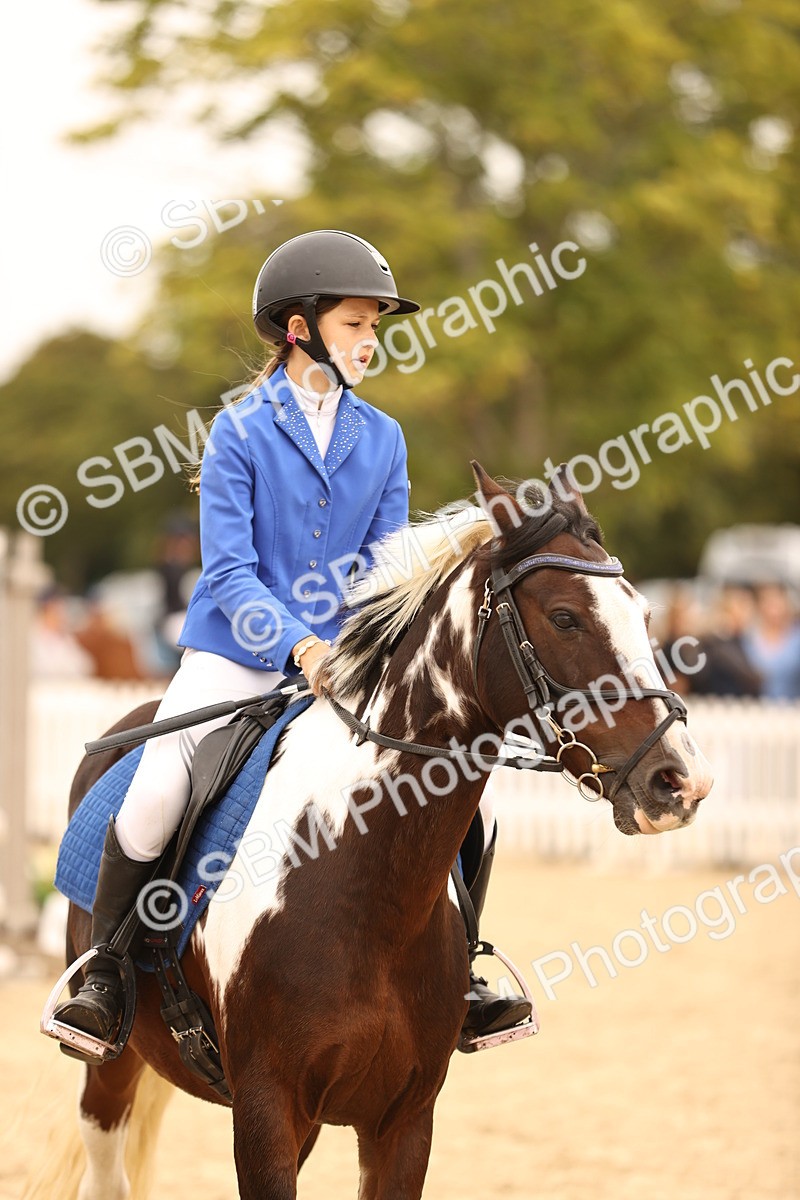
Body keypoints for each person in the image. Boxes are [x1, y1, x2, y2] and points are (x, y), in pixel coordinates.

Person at [53, 229, 530, 1053]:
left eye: (376, 325)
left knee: (464, 804)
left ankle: (468, 971)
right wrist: (301, 648)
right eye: (355, 324)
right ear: (301, 328)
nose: (372, 340)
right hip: (234, 651)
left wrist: (358, 648)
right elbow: (232, 575)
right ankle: (107, 970)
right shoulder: (239, 432)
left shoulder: (382, 438)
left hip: (347, 658)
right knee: (159, 788)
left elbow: (383, 567)